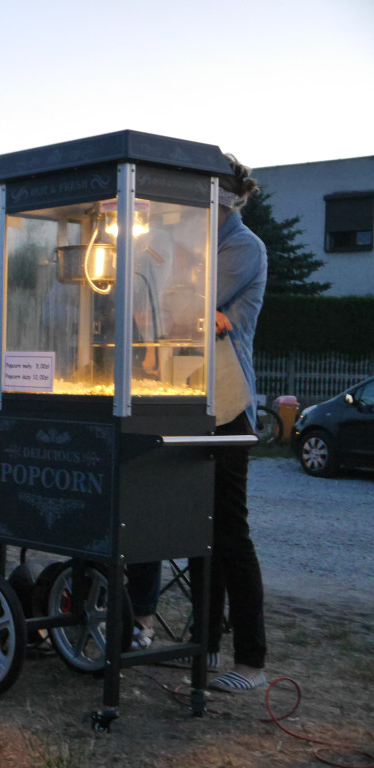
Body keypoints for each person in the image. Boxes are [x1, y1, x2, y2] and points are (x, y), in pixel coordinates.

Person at [127, 155, 269, 693]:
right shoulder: (193, 242)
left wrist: (164, 259)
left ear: (223, 201)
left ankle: (252, 662)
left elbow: (183, 304)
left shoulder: (241, 247)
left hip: (229, 404)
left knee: (230, 531)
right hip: (185, 395)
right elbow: (155, 308)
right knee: (194, 528)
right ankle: (204, 648)